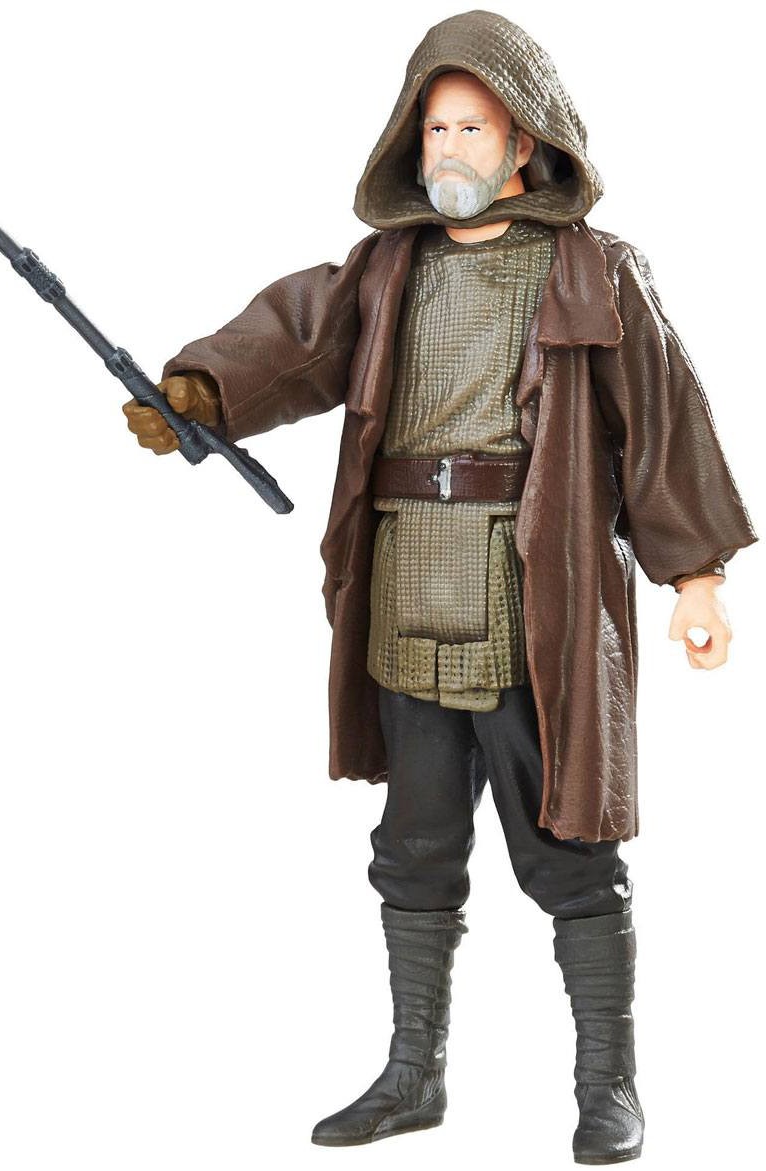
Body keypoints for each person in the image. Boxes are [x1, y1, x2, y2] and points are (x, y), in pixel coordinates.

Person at [123, 10, 756, 1164]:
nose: (450, 147)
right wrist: (202, 395)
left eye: (473, 127)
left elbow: (662, 423)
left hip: (533, 597)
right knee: (412, 846)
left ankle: (607, 1084)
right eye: (435, 127)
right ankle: (411, 1073)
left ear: (524, 142)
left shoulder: (594, 270)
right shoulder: (386, 268)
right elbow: (292, 340)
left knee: (567, 848)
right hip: (405, 587)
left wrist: (696, 579)